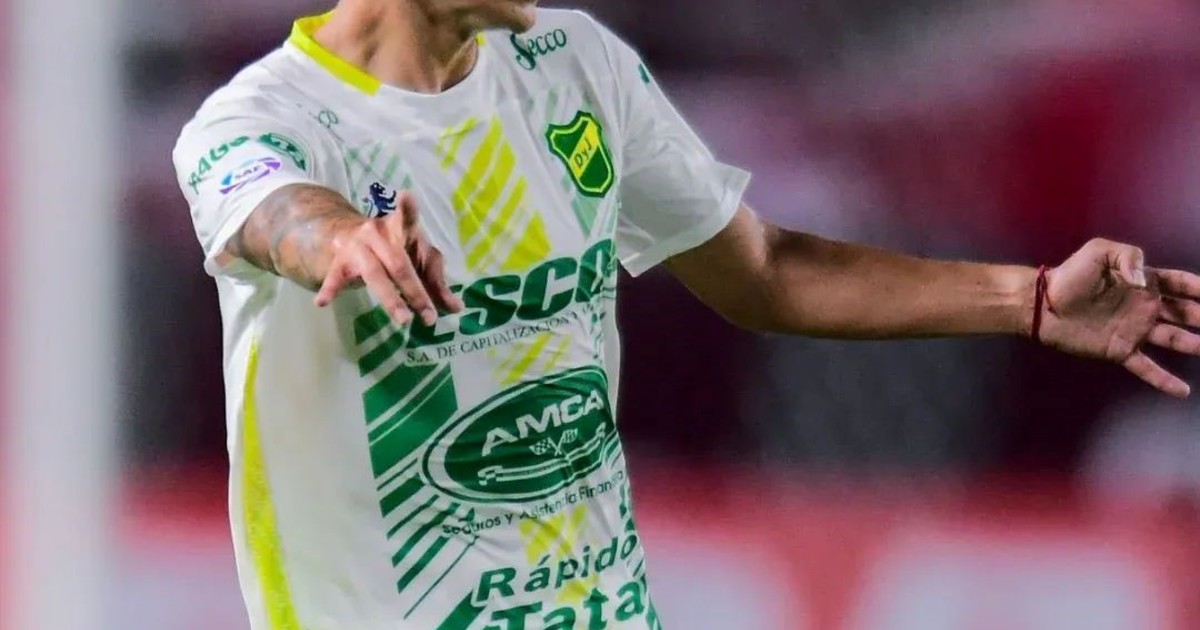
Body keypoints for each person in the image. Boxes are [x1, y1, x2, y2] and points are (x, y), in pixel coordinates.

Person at [171, 1, 1200, 628]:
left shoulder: (575, 66)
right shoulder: (260, 119)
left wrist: (1029, 300)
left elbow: (764, 270)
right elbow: (275, 213)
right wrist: (343, 241)